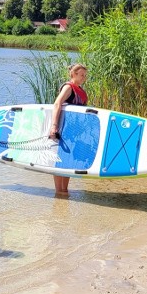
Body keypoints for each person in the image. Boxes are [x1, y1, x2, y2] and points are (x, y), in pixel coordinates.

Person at [49, 63, 88, 195]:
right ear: (73, 74)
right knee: (60, 159)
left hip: (74, 132)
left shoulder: (80, 90)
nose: (84, 78)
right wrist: (54, 126)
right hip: (63, 128)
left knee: (68, 160)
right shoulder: (68, 87)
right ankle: (59, 191)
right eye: (82, 75)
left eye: (85, 75)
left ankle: (64, 190)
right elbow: (57, 104)